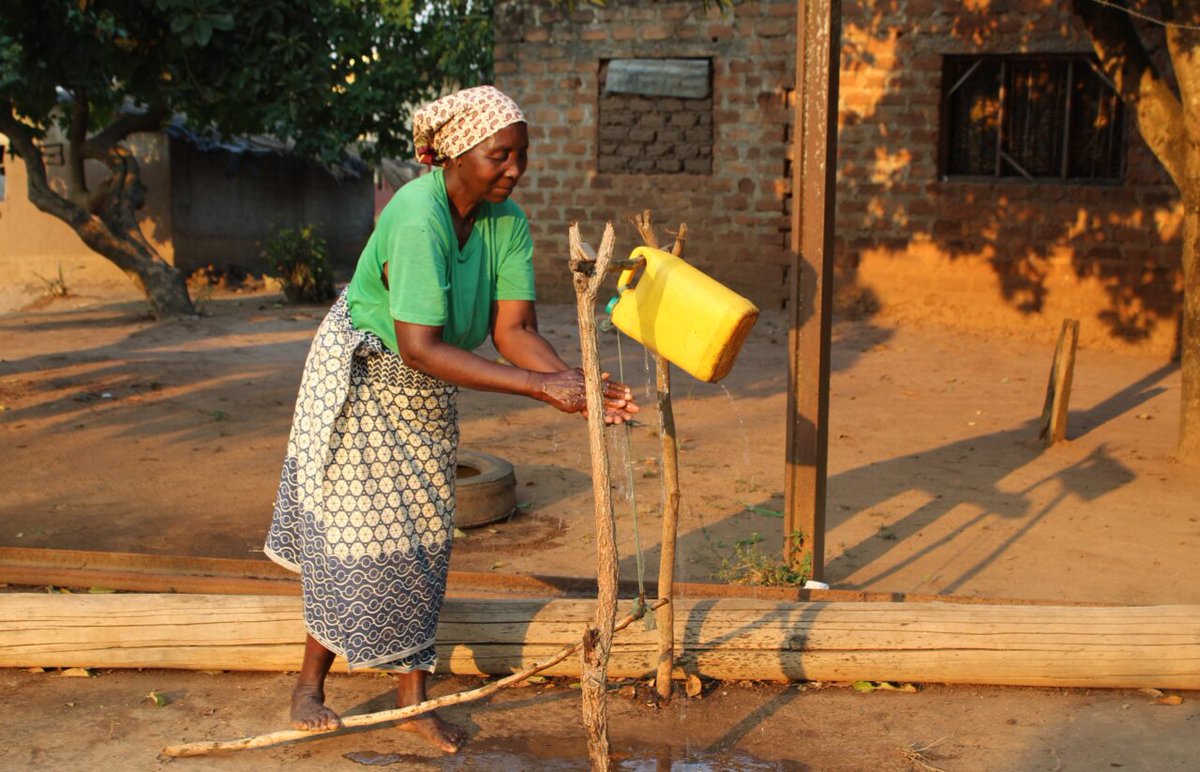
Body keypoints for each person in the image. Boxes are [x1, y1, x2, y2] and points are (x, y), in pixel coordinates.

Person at [264, 85, 639, 753]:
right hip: (368, 375)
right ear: (458, 153)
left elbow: (514, 330)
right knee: (351, 536)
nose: (515, 169)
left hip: (429, 383)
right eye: (501, 155)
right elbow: (418, 345)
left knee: (424, 535)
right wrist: (538, 386)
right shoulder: (416, 217)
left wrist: (576, 382)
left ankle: (414, 702)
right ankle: (309, 687)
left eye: (521, 156)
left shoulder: (507, 223)